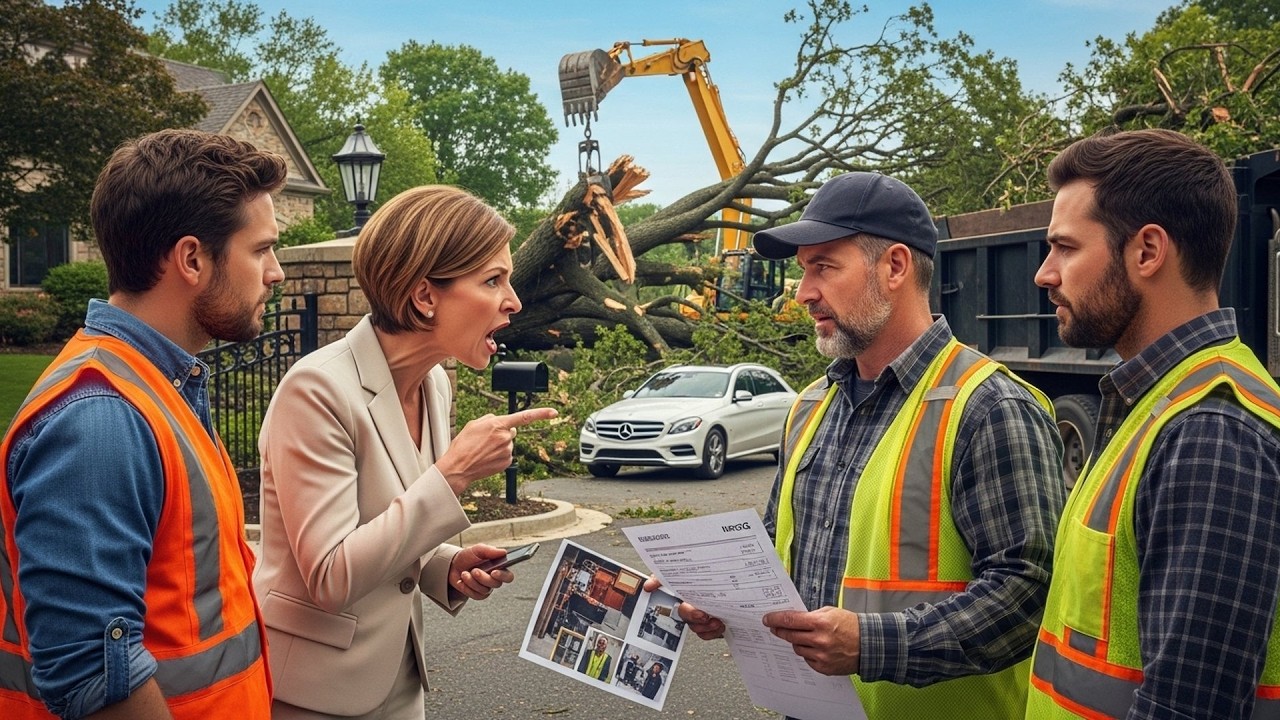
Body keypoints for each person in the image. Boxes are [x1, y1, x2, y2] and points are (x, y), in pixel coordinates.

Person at [654, 171, 1066, 719]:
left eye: (823, 266)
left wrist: (873, 646)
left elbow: (1027, 595)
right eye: (803, 271)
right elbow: (781, 548)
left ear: (895, 266)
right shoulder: (809, 407)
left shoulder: (989, 407)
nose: (803, 293)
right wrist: (719, 598)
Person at [0, 129, 287, 718]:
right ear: (190, 259)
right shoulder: (101, 418)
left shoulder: (156, 384)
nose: (276, 272)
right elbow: (90, 673)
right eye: (260, 250)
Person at [251, 184, 557, 719]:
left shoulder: (435, 382)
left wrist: (446, 566)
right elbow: (329, 576)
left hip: (401, 683)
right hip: (310, 694)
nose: (514, 301)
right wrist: (455, 472)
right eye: (493, 280)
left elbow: (388, 528)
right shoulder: (317, 391)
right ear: (424, 296)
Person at [1026, 129, 1280, 718]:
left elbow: (1188, 707)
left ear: (1146, 251)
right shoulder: (1159, 404)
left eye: (1065, 248)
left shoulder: (1212, 432)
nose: (1044, 273)